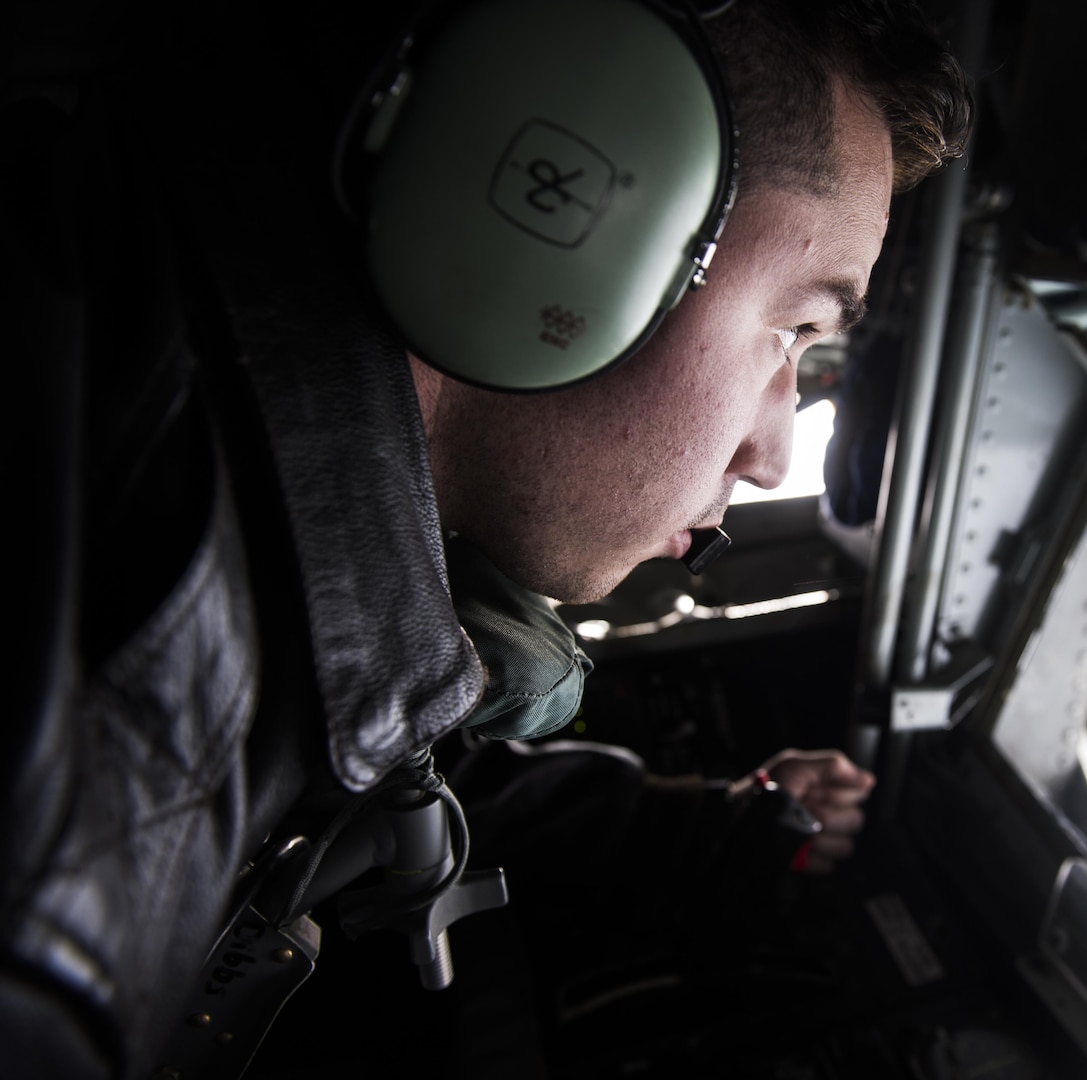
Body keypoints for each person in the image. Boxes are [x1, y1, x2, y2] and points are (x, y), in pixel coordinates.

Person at [3, 0, 972, 1076]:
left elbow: (407, 767)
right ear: (580, 234)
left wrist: (713, 824)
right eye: (794, 329)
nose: (771, 454)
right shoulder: (80, 806)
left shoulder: (201, 463)